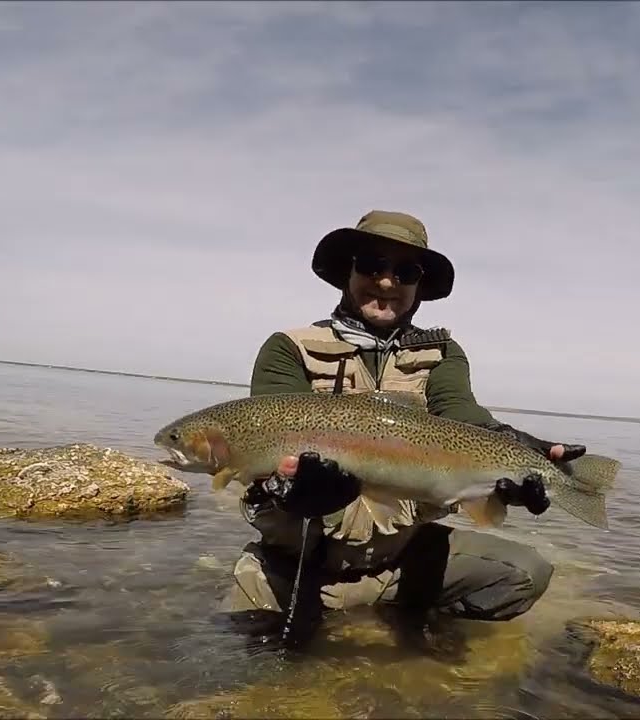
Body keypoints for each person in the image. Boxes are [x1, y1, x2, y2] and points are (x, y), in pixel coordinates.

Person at [221, 210, 588, 654]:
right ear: (348, 271)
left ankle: (403, 622)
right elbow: (268, 428)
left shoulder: (443, 353)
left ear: (419, 286)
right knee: (251, 671)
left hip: (403, 559)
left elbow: (462, 417)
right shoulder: (289, 347)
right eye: (372, 266)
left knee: (525, 573)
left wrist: (511, 447)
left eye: (406, 272)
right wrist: (290, 487)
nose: (387, 283)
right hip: (296, 564)